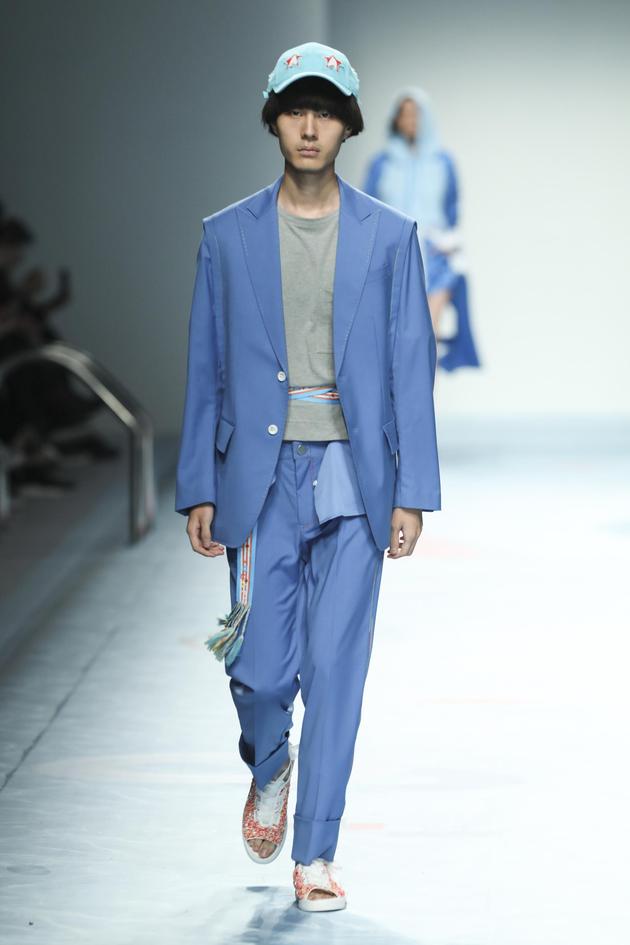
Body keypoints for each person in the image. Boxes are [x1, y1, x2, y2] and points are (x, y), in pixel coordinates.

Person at [175, 41, 441, 913]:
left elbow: (410, 366)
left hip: (356, 475)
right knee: (258, 670)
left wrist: (412, 491)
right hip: (257, 477)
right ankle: (270, 763)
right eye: (296, 109)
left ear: (349, 125)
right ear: (274, 119)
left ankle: (316, 849)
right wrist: (197, 481)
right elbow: (206, 366)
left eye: (326, 111)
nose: (310, 126)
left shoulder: (391, 237)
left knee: (336, 668)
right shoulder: (226, 236)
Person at [363, 85, 481, 372]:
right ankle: (398, 399)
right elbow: (366, 208)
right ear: (395, 119)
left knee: (427, 336)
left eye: (416, 114)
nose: (410, 121)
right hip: (391, 257)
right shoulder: (382, 164)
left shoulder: (442, 163)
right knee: (394, 340)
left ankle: (425, 400)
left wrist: (448, 243)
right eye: (404, 114)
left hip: (434, 256)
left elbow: (452, 209)